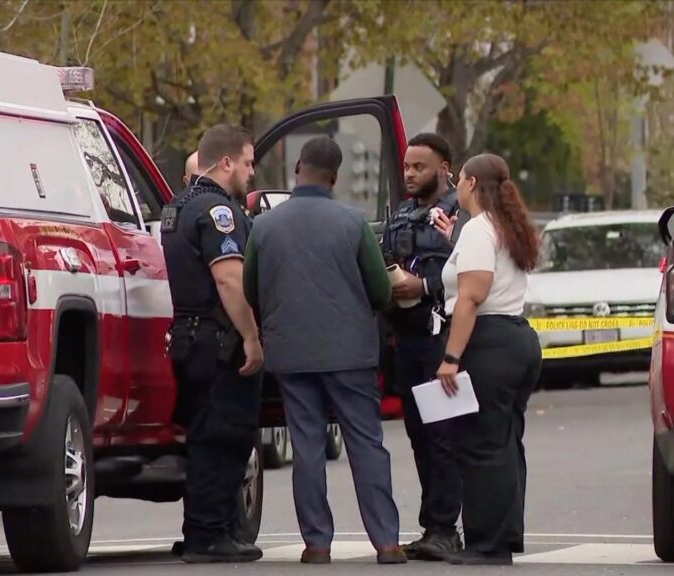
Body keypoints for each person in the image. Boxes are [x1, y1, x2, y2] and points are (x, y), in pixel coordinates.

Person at [243, 136, 406, 566]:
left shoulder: (263, 227)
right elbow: (379, 289)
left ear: (297, 167)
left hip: (291, 353)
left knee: (308, 447)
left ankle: (317, 543)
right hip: (350, 353)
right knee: (366, 444)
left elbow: (250, 289)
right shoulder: (352, 223)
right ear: (334, 177)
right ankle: (386, 542)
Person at [160, 124, 265, 564]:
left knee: (204, 436)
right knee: (226, 437)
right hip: (218, 339)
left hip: (189, 337)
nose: (251, 173)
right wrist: (252, 337)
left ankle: (203, 528)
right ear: (225, 162)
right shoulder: (218, 211)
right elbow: (228, 276)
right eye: (247, 162)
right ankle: (210, 534)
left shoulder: (177, 207)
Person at [434, 153, 542, 566]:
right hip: (515, 339)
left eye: (459, 179)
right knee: (504, 442)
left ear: (473, 183)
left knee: (482, 446)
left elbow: (471, 298)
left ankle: (487, 543)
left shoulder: (479, 229)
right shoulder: (502, 226)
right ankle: (504, 534)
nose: (456, 186)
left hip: (487, 342)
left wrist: (451, 357)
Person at [381, 133, 464, 560]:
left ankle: (446, 528)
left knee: (443, 435)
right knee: (418, 435)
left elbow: (472, 274)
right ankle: (434, 524)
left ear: (444, 167)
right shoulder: (400, 215)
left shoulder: (459, 214)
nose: (411, 174)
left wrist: (424, 284)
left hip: (442, 339)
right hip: (407, 338)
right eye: (408, 167)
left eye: (420, 167)